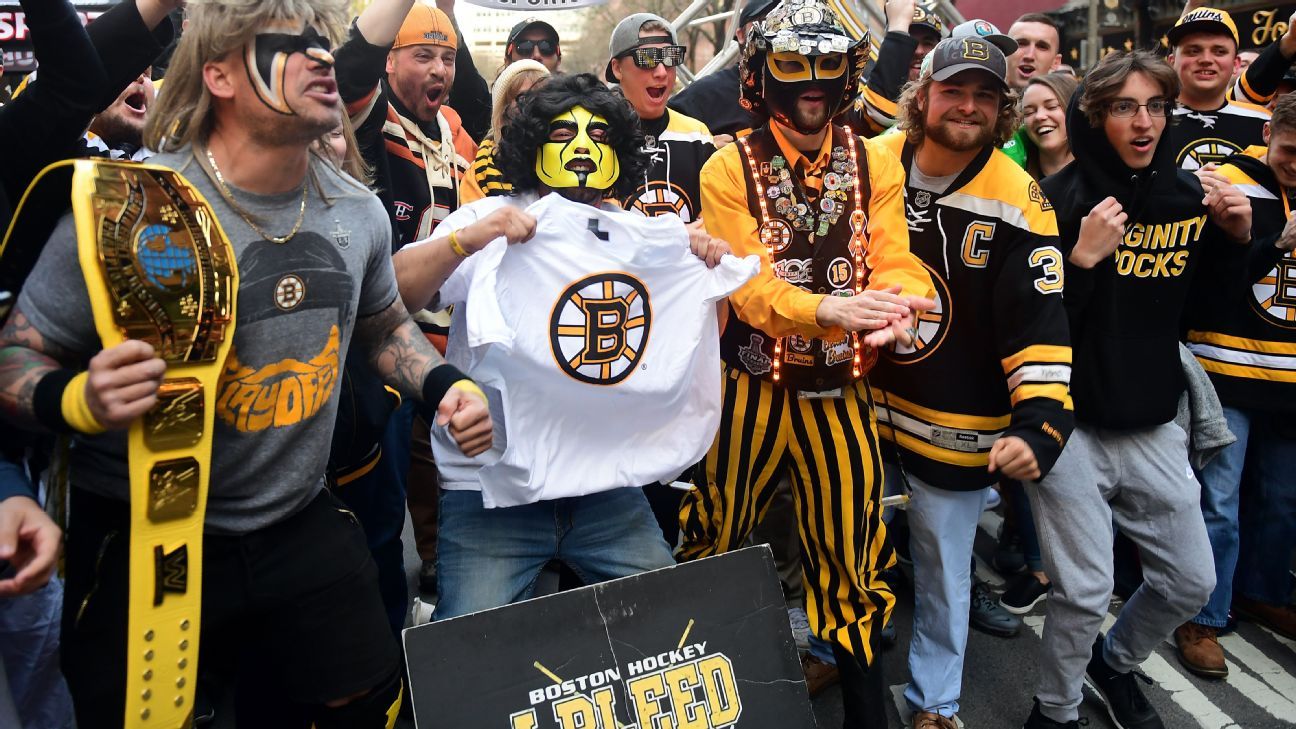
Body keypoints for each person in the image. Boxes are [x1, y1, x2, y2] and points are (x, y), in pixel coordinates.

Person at [0, 2, 493, 727]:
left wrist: (447, 387)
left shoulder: (353, 208)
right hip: (150, 538)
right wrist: (75, 398)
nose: (323, 59)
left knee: (370, 701)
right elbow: (16, 351)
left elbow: (383, 323)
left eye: (324, 45)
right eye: (292, 46)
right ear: (220, 74)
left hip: (299, 520)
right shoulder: (129, 210)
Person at [391, 72, 740, 619]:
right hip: (492, 488)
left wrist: (694, 265)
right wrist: (464, 241)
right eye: (563, 135)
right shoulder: (491, 218)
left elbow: (695, 341)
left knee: (669, 630)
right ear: (533, 144)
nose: (582, 149)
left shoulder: (642, 235)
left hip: (605, 483)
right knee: (469, 662)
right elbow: (393, 294)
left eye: (599, 137)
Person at [676, 1, 934, 726]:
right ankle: (702, 695)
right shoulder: (729, 165)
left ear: (849, 71)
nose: (812, 83)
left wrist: (902, 300)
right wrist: (824, 309)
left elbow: (893, 255)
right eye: (793, 65)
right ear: (761, 73)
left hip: (841, 391)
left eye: (827, 64)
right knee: (716, 533)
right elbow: (746, 282)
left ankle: (864, 713)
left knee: (852, 549)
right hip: (751, 385)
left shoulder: (873, 157)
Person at [1023, 49, 1253, 729]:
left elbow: (1202, 307)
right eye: (1125, 106)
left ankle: (1114, 662)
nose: (1144, 120)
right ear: (1094, 117)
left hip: (1153, 421)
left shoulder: (1186, 198)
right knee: (1085, 589)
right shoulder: (1057, 201)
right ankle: (1055, 709)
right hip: (1069, 427)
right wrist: (1080, 261)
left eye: (1157, 105)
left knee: (1192, 580)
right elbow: (1031, 326)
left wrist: (1238, 238)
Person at [874, 36, 1074, 729]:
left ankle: (935, 704)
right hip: (855, 403)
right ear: (921, 95)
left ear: (1001, 109)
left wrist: (1040, 420)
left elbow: (1040, 320)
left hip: (953, 419)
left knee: (943, 570)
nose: (967, 105)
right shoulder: (870, 163)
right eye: (953, 90)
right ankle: (825, 645)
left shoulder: (1020, 199)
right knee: (838, 537)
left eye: (984, 95)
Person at [1176, 93, 1296, 676]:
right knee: (1217, 502)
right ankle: (1204, 613)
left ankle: (1263, 590)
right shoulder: (1225, 181)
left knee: (1281, 500)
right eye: (1290, 151)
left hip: (1291, 381)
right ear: (1269, 132)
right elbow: (1205, 283)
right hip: (1226, 370)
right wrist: (1273, 243)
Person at [1167, 8, 1271, 169]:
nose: (1206, 59)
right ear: (1171, 61)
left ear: (1236, 64)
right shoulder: (1148, 120)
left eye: (1219, 51)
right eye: (1194, 51)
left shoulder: (1264, 123)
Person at [462, 60, 549, 202]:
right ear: (502, 111)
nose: (534, 104)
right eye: (523, 98)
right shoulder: (478, 174)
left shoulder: (566, 158)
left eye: (542, 96)